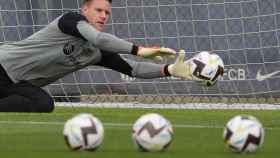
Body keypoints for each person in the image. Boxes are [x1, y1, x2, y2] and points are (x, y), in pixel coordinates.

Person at [0, 0, 192, 112]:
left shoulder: (96, 53)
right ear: (84, 10)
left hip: (16, 84)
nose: (103, 16)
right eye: (98, 10)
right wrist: (139, 50)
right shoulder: (70, 21)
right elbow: (99, 38)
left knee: (45, 104)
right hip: (3, 65)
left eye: (107, 13)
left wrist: (169, 70)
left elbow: (133, 68)